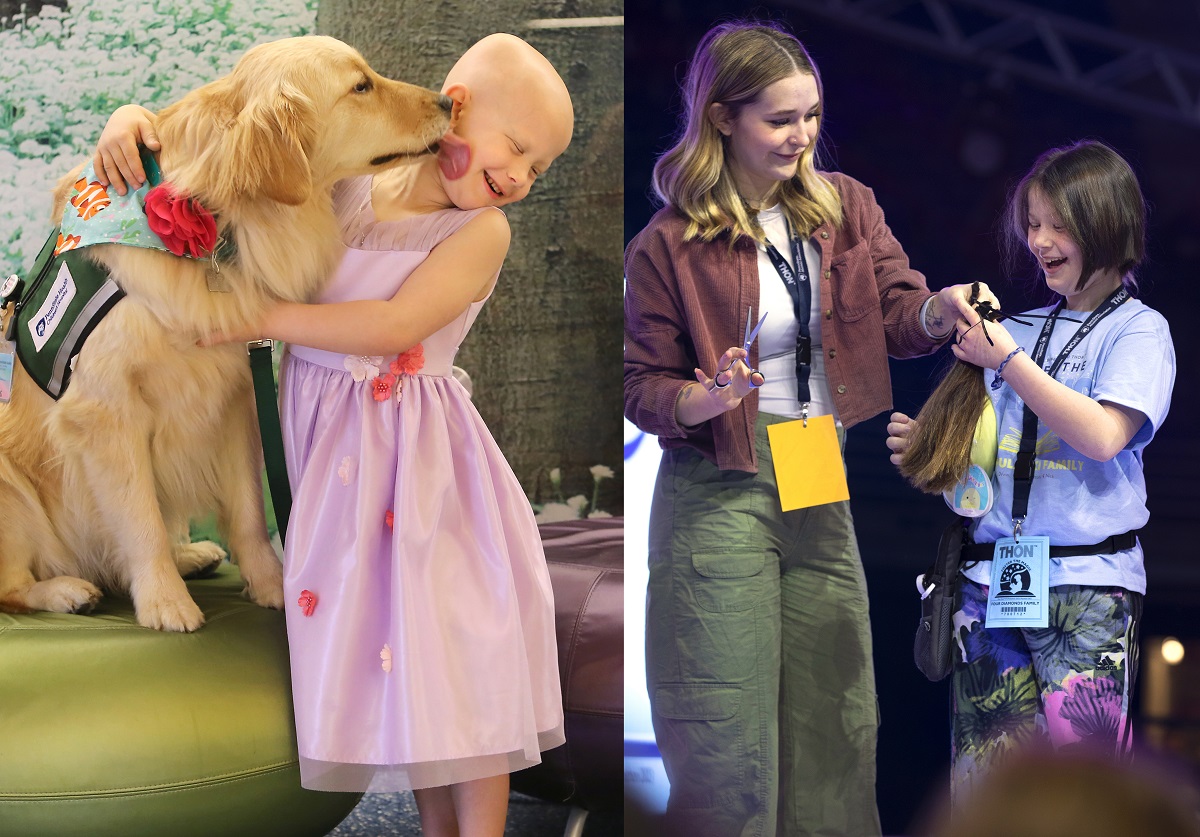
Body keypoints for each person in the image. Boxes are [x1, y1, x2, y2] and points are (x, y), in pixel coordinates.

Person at [96, 33, 574, 837]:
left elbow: (394, 323)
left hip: (420, 471)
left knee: (454, 653)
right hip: (337, 463)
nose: (522, 178)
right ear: (454, 106)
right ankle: (438, 826)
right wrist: (128, 120)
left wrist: (253, 318)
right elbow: (221, 134)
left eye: (542, 168)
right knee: (403, 665)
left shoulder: (482, 232)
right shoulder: (355, 182)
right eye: (518, 148)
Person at [623, 19, 991, 837]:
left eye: (813, 116)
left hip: (818, 460)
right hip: (720, 476)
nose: (803, 136)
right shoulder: (668, 243)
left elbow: (898, 308)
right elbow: (642, 385)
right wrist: (706, 398)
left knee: (839, 710)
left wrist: (940, 308)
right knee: (725, 733)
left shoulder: (844, 204)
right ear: (722, 118)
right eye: (781, 120)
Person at [887, 140, 1175, 800]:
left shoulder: (1138, 330)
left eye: (1058, 224)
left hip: (1087, 587)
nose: (1038, 239)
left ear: (1105, 224)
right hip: (990, 584)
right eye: (1032, 222)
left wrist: (1008, 359)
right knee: (986, 791)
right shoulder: (1013, 327)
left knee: (1085, 793)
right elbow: (979, 466)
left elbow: (1105, 436)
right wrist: (929, 449)